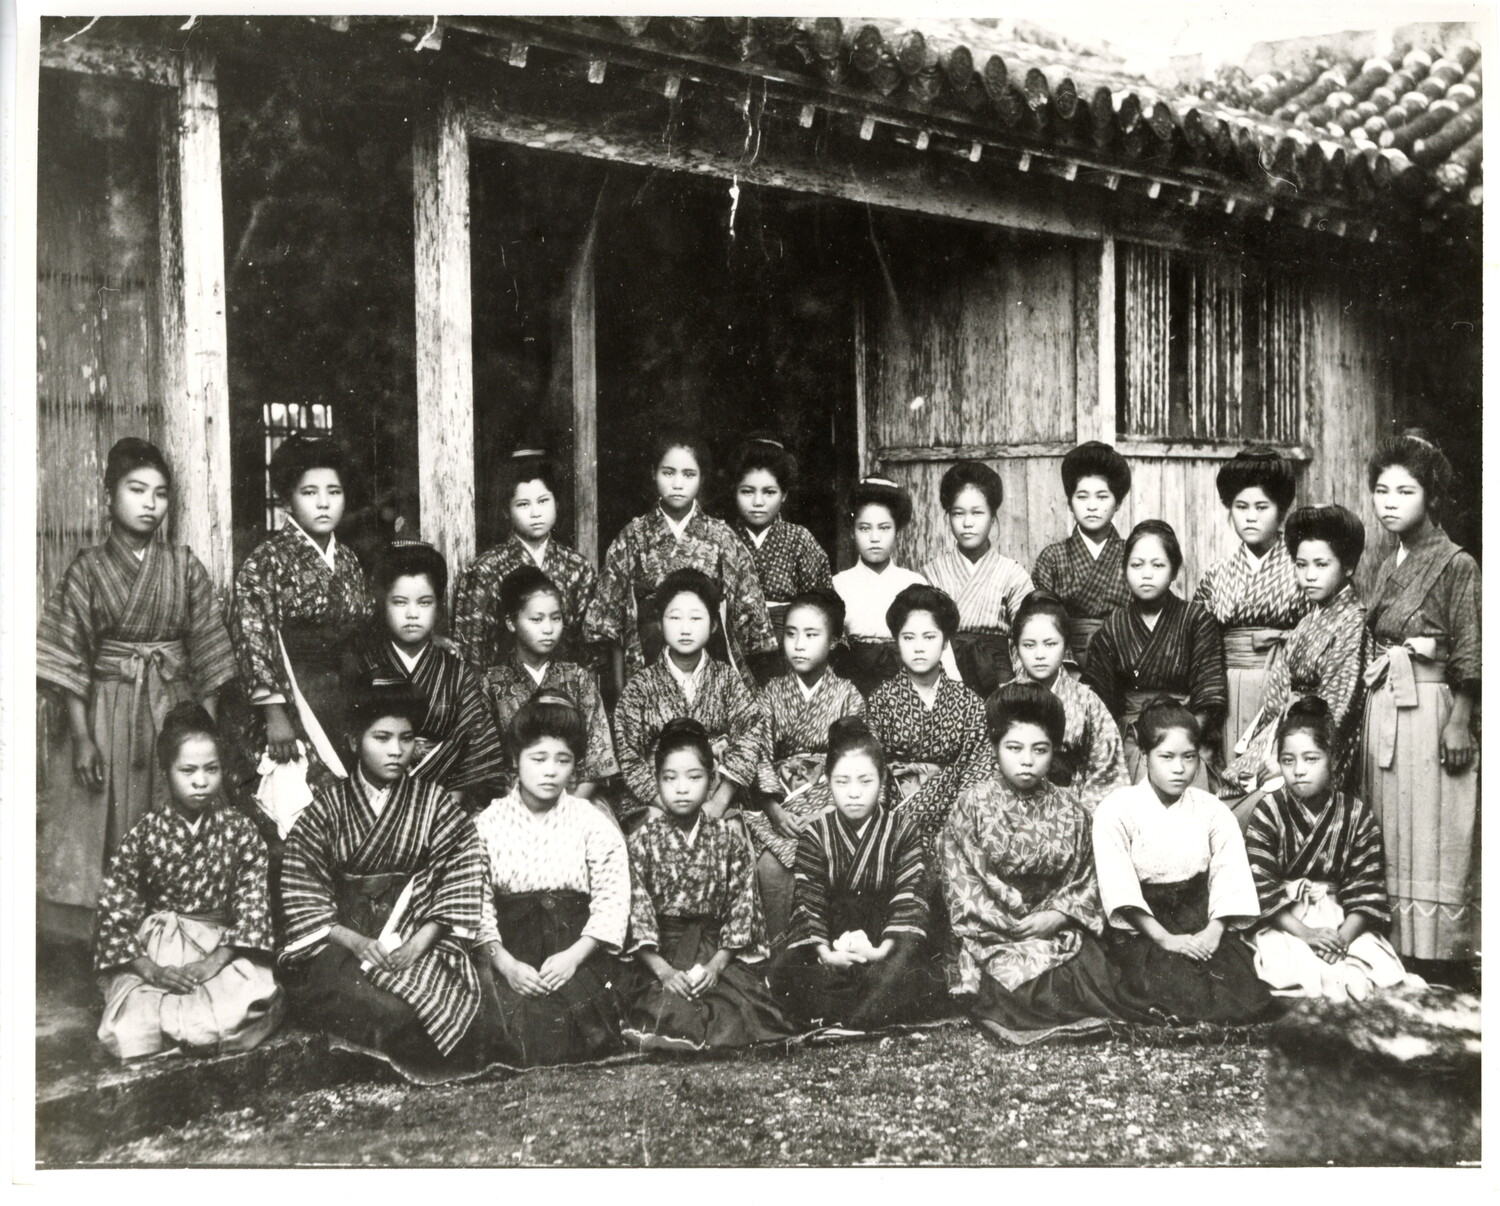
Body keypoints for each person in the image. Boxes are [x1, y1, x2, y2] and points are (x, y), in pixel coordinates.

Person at [37, 438, 238, 919]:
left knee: (181, 804)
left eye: (161, 493)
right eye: (136, 489)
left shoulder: (183, 565)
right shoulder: (88, 569)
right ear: (109, 496)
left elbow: (208, 651)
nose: (150, 504)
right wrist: (83, 738)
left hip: (173, 705)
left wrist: (203, 733)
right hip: (108, 708)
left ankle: (177, 930)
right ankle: (113, 945)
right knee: (107, 824)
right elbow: (68, 658)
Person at [278, 682, 495, 1082]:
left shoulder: (435, 803)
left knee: (455, 995)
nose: (396, 750)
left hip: (412, 933)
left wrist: (419, 942)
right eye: (382, 738)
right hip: (343, 942)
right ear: (354, 741)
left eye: (406, 738)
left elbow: (462, 871)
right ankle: (375, 1055)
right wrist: (355, 940)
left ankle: (386, 1056)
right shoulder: (327, 808)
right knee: (377, 1006)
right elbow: (302, 882)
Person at [94, 704, 283, 1060]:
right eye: (188, 770)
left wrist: (210, 965)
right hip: (157, 948)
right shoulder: (144, 834)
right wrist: (153, 972)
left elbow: (251, 908)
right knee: (133, 1020)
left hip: (221, 947)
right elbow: (115, 913)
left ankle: (191, 1034)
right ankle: (176, 1031)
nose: (201, 781)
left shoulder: (239, 830)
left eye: (211, 769)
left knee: (249, 997)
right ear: (166, 772)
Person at [942, 684, 1123, 1045]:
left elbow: (1088, 875)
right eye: (1014, 748)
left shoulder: (1072, 810)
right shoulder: (972, 804)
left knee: (1095, 975)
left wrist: (1059, 915)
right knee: (1022, 987)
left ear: (1053, 752)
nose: (1027, 760)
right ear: (995, 749)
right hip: (993, 926)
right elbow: (962, 877)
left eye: (1039, 750)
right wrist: (1012, 924)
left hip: (1055, 922)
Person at [1363, 430, 1480, 979]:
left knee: (1435, 826)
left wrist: (1461, 721)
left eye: (1404, 491)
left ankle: (1442, 954)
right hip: (1389, 700)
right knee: (1392, 823)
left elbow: (1473, 647)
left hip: (1433, 706)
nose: (1390, 503)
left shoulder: (1457, 563)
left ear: (1431, 496)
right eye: (1382, 491)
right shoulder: (1389, 564)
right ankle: (1400, 947)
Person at [1092, 700, 1275, 1024]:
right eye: (1166, 757)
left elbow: (1228, 876)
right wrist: (1166, 939)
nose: (1179, 768)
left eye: (1188, 757)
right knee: (1171, 984)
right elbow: (1119, 886)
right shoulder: (1117, 809)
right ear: (1145, 755)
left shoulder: (1211, 810)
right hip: (1145, 928)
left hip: (1199, 919)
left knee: (1238, 986)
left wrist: (1214, 932)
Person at [618, 719, 797, 1052]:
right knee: (668, 1007)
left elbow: (742, 909)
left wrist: (716, 965)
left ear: (712, 780)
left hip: (716, 950)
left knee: (740, 1007)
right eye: (670, 778)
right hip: (664, 951)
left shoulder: (729, 840)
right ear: (657, 782)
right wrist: (665, 972)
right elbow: (638, 914)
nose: (681, 788)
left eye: (694, 777)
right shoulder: (640, 843)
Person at [474, 692, 631, 1067]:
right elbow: (475, 902)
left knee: (584, 1015)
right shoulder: (486, 825)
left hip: (575, 947)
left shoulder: (592, 822)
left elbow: (612, 900)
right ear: (515, 761)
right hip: (511, 949)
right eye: (538, 758)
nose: (550, 771)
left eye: (563, 760)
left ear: (575, 766)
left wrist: (573, 958)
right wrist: (507, 965)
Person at [770, 718, 945, 1032]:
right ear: (827, 781)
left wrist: (878, 951)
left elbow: (909, 897)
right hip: (832, 940)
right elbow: (809, 902)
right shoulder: (816, 834)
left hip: (887, 938)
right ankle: (867, 1011)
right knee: (791, 973)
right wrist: (826, 954)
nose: (854, 793)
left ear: (882, 780)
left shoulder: (903, 830)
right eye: (842, 782)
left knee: (910, 972)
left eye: (865, 782)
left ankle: (846, 1014)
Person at [585, 427, 775, 697]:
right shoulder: (632, 536)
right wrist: (621, 690)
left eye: (688, 474)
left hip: (709, 666)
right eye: (668, 472)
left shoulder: (722, 538)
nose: (677, 484)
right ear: (653, 474)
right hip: (645, 664)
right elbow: (608, 621)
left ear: (702, 478)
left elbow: (750, 623)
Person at [230, 433, 374, 788]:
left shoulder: (349, 561)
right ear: (288, 500)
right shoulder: (266, 562)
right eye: (309, 493)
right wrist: (274, 712)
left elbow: (365, 628)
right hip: (295, 696)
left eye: (334, 492)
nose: (323, 503)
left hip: (345, 694)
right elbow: (253, 637)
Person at [1245, 698, 1413, 1001]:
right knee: (1295, 969)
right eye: (1288, 760)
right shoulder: (1268, 811)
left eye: (1311, 759)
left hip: (1341, 920)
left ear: (1332, 760)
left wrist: (1341, 940)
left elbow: (1368, 890)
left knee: (1367, 971)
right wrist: (1307, 935)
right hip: (1285, 920)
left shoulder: (1356, 814)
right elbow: (1261, 889)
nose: (1298, 771)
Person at [1220, 505, 1371, 810]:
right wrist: (1274, 747)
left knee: (1253, 810)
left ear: (1349, 566)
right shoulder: (1307, 622)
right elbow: (1276, 698)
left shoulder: (1353, 621)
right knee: (1227, 798)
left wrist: (1290, 759)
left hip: (1320, 751)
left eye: (1321, 565)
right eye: (1301, 565)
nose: (1309, 576)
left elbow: (1338, 709)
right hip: (1287, 735)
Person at [349, 539, 505, 810]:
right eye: (399, 602)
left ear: (438, 606)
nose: (412, 614)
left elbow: (476, 752)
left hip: (446, 803)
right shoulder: (364, 666)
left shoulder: (458, 673)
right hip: (372, 804)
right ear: (383, 603)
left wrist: (444, 809)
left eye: (424, 602)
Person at [749, 589, 865, 941]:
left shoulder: (847, 695)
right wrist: (773, 809)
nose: (799, 644)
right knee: (770, 867)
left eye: (811, 635)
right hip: (779, 805)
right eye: (791, 633)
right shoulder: (770, 693)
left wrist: (820, 812)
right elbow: (757, 753)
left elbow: (852, 762)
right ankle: (777, 956)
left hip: (830, 804)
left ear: (833, 642)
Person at [612, 570, 769, 828]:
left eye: (696, 618)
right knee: (653, 830)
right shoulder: (640, 687)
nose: (685, 629)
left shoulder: (727, 680)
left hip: (717, 795)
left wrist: (719, 802)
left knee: (731, 831)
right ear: (660, 624)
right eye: (675, 618)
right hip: (656, 798)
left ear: (713, 625)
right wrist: (665, 803)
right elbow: (628, 754)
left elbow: (751, 734)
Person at [1083, 520, 1227, 789]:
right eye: (1137, 565)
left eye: (1158, 565)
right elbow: (1099, 701)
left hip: (1186, 736)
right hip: (1132, 740)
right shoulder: (1113, 626)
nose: (1146, 574)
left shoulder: (1196, 619)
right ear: (1124, 571)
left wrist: (1185, 740)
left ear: (1174, 571)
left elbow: (1209, 694)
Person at [1194, 449, 1309, 765]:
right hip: (1227, 690)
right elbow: (1200, 644)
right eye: (1240, 507)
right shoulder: (1217, 574)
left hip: (1286, 684)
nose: (1251, 516)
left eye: (1262, 507)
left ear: (1281, 511)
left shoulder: (1303, 568)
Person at [866, 584, 995, 856]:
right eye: (908, 638)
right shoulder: (880, 700)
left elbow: (978, 770)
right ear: (896, 641)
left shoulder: (970, 702)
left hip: (954, 823)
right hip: (894, 821)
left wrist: (952, 821)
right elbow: (872, 769)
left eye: (929, 637)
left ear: (945, 641)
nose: (919, 648)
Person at [451, 446, 599, 673]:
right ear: (506, 511)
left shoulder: (578, 567)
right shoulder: (485, 570)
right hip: (502, 693)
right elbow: (472, 653)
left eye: (543, 501)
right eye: (523, 504)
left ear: (557, 503)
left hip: (565, 692)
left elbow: (587, 649)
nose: (535, 513)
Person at [483, 566, 618, 802]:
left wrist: (571, 808)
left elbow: (598, 757)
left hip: (576, 798)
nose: (548, 629)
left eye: (556, 618)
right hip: (512, 800)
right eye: (536, 619)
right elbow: (484, 760)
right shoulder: (491, 683)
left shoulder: (577, 678)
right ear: (511, 623)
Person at [998, 590, 1126, 814]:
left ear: (1066, 644)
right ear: (1015, 647)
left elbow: (1105, 767)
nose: (1039, 654)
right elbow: (989, 766)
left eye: (1050, 644)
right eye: (1029, 645)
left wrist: (1081, 816)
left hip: (1072, 806)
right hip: (1013, 807)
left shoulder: (1087, 701)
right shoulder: (1003, 700)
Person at [831, 477, 957, 697]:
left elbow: (938, 648)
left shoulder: (912, 583)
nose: (875, 538)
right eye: (864, 528)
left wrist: (954, 688)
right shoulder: (838, 585)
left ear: (897, 532)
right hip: (852, 691)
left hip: (908, 689)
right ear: (852, 532)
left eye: (884, 528)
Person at [920, 460, 1034, 700]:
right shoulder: (931, 574)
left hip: (1000, 683)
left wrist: (1016, 690)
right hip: (944, 682)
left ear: (993, 517)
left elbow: (1026, 638)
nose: (967, 523)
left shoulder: (1013, 575)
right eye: (958, 513)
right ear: (948, 517)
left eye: (978, 513)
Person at [729, 433, 833, 667]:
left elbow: (822, 606)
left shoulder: (800, 541)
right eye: (747, 491)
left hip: (790, 654)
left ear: (784, 494)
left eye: (769, 492)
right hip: (733, 657)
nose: (758, 501)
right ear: (734, 490)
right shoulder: (721, 538)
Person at [1032, 442, 1133, 667]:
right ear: (1069, 503)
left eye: (1102, 497)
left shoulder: (1132, 555)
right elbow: (1042, 620)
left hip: (1122, 661)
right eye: (1082, 496)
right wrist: (1069, 666)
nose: (1092, 506)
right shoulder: (1052, 557)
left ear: (1117, 503)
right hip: (1064, 662)